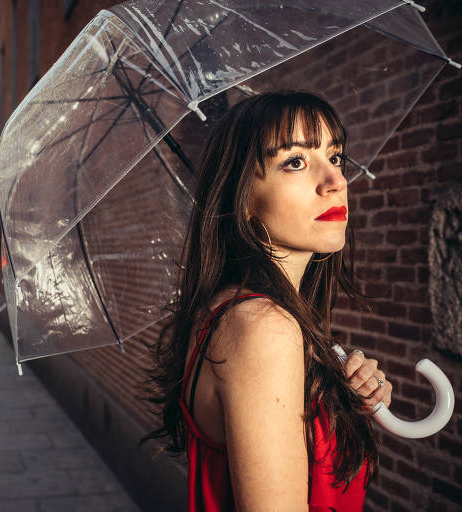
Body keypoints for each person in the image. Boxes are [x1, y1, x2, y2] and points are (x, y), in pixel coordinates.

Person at [143, 91, 393, 511]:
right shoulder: (263, 326)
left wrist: (337, 398)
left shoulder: (242, 312)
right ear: (242, 200)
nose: (335, 182)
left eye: (334, 156)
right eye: (294, 161)